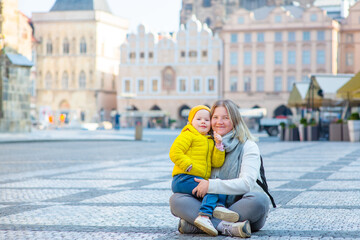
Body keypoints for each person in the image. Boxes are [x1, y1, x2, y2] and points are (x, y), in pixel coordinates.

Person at [170, 99, 271, 238]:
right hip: (210, 205)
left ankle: (198, 224)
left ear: (235, 120)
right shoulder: (203, 142)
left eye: (226, 118)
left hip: (238, 206)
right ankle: (226, 227)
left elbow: (247, 183)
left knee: (260, 200)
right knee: (176, 200)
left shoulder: (248, 146)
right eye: (215, 117)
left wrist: (211, 186)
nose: (219, 122)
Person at [169, 105, 239, 236]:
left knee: (218, 188)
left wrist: (218, 146)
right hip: (183, 177)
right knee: (211, 189)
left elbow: (216, 162)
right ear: (191, 122)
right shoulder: (188, 135)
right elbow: (175, 152)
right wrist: (188, 165)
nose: (203, 122)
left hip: (198, 179)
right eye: (199, 119)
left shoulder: (210, 140)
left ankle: (219, 208)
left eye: (206, 120)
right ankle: (205, 216)